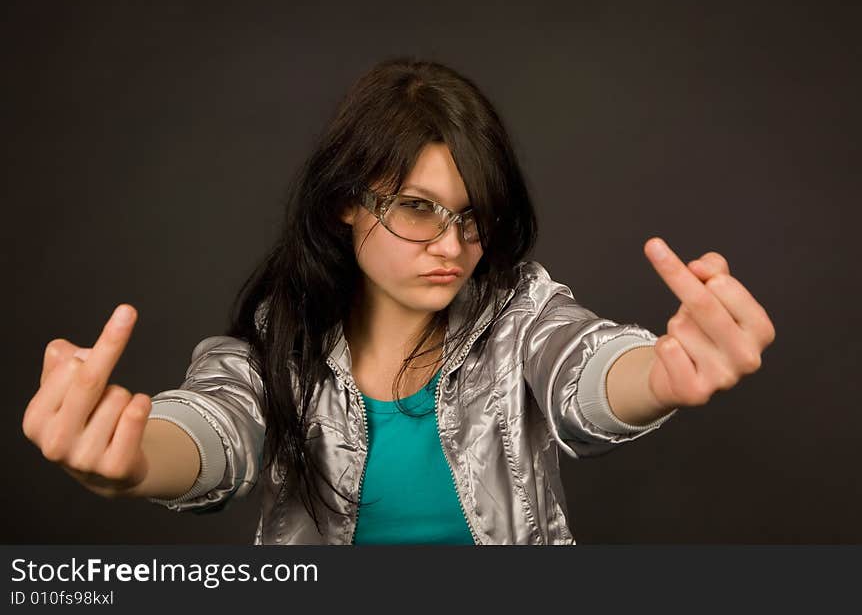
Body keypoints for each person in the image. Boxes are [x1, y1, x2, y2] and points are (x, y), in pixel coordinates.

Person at [21, 57, 776, 544]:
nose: (452, 245)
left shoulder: (520, 315)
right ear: (347, 201)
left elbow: (585, 365)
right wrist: (129, 456)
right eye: (418, 208)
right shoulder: (277, 346)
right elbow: (215, 425)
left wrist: (664, 372)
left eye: (474, 215)